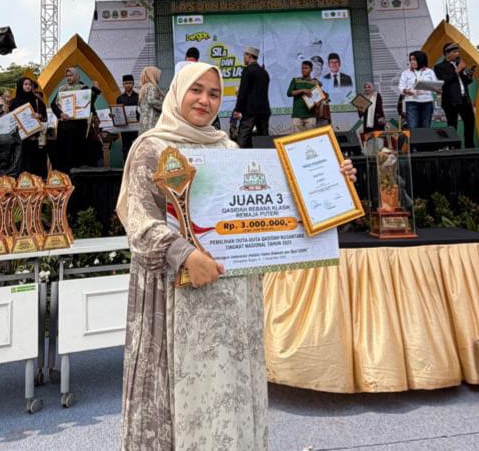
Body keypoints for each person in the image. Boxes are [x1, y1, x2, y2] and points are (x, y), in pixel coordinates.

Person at [116, 62, 356, 450]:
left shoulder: (227, 149)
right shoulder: (152, 148)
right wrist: (184, 254)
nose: (204, 100)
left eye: (214, 94)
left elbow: (273, 209)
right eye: (196, 90)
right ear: (177, 93)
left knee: (229, 391)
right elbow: (138, 220)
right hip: (176, 297)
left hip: (232, 300)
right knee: (185, 399)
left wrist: (330, 182)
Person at [434, 43, 476, 148]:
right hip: (450, 101)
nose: (457, 54)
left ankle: (470, 147)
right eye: (455, 52)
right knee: (452, 125)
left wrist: (470, 74)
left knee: (470, 123)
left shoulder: (458, 64)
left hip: (464, 98)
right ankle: (454, 148)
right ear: (447, 53)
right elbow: (445, 80)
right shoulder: (439, 67)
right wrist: (457, 70)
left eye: (457, 52)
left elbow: (466, 81)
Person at [6, 77, 48, 178]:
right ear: (21, 86)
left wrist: (39, 115)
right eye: (25, 84)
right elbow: (10, 119)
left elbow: (45, 116)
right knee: (21, 164)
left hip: (33, 138)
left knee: (33, 164)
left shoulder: (36, 100)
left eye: (29, 84)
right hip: (20, 140)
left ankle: (35, 183)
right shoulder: (14, 102)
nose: (28, 86)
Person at [52, 67, 89, 174]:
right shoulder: (62, 89)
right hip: (65, 124)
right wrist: (60, 114)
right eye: (67, 76)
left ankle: (77, 173)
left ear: (76, 76)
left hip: (78, 124)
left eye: (71, 75)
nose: (69, 78)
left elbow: (88, 104)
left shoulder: (83, 88)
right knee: (64, 149)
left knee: (77, 148)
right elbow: (53, 104)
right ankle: (65, 173)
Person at [233, 46, 270, 148]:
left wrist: (237, 109)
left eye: (244, 55)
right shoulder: (264, 72)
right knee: (264, 138)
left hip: (250, 110)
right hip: (264, 110)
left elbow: (243, 92)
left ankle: (239, 156)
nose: (244, 58)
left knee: (243, 136)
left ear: (249, 56)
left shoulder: (248, 70)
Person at [398, 50, 438, 129]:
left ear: (421, 60)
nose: (411, 62)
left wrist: (437, 89)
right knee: (413, 127)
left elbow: (435, 86)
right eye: (410, 60)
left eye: (414, 60)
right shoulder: (405, 73)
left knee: (426, 127)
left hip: (427, 102)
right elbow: (401, 87)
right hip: (411, 103)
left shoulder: (430, 72)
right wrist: (406, 91)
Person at [286, 60, 320, 133]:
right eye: (302, 68)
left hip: (311, 115)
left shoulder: (315, 82)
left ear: (311, 69)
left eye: (306, 68)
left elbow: (318, 99)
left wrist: (317, 103)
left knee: (311, 137)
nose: (303, 70)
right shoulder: (296, 80)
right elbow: (289, 93)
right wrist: (302, 90)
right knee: (297, 138)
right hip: (297, 114)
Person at [117, 74, 140, 161]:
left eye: (130, 83)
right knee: (126, 148)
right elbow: (118, 111)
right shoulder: (120, 98)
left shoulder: (138, 96)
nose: (128, 85)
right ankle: (126, 166)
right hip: (125, 127)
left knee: (137, 147)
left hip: (136, 126)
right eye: (126, 83)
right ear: (123, 85)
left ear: (133, 84)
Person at [137, 66, 164, 134]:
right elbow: (151, 101)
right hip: (152, 122)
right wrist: (165, 106)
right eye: (157, 74)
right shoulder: (151, 86)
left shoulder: (143, 87)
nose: (158, 77)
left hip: (144, 122)